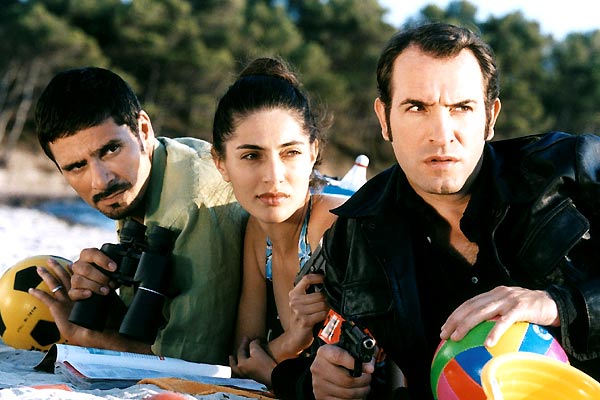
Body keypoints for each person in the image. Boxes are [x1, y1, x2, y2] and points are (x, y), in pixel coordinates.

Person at [271, 22, 600, 399]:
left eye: (461, 107)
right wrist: (320, 383)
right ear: (384, 119)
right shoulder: (354, 234)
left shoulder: (574, 171)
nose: (441, 134)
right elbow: (329, 358)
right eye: (417, 107)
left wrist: (559, 305)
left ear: (490, 118)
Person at [30, 67, 247, 365]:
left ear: (143, 130)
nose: (101, 181)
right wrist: (104, 299)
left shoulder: (192, 203)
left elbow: (195, 362)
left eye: (110, 150)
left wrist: (85, 336)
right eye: (77, 166)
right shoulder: (148, 176)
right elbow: (153, 330)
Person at [211, 57, 346, 386]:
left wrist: (274, 364)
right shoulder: (259, 234)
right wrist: (294, 340)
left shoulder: (333, 227)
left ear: (312, 153)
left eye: (290, 153)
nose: (273, 176)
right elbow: (243, 356)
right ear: (221, 163)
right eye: (251, 156)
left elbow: (355, 373)